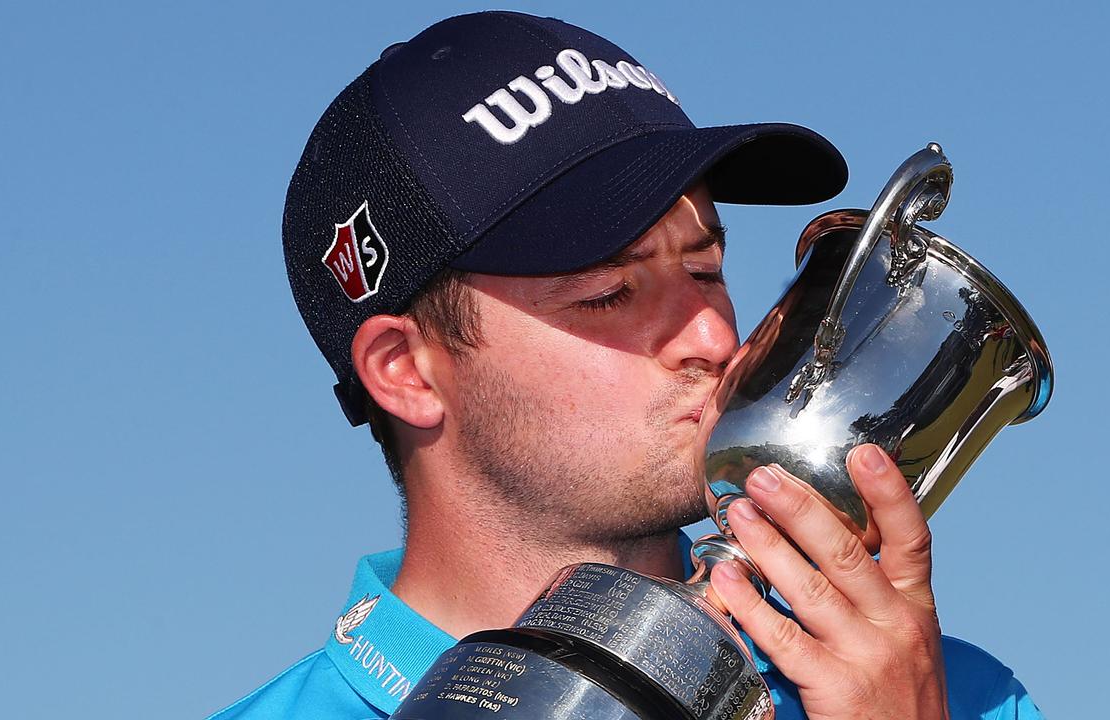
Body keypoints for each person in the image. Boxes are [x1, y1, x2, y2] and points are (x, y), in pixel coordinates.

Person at [210, 11, 1043, 720]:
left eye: (706, 271)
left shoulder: (946, 694)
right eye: (610, 293)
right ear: (407, 371)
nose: (713, 339)